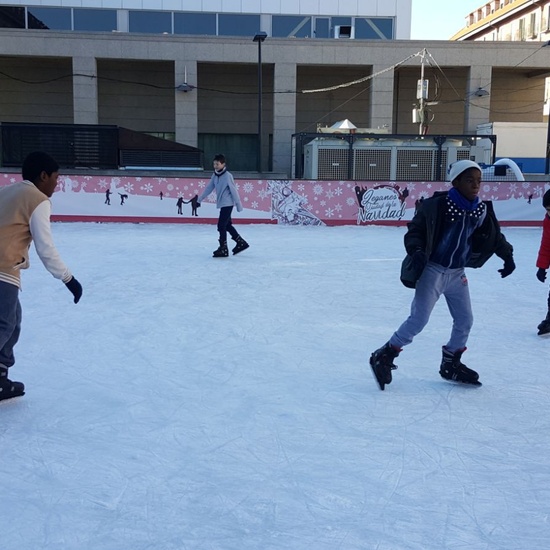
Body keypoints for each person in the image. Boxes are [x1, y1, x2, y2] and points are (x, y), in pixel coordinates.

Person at [369, 159, 515, 390]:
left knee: (465, 320)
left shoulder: (480, 210)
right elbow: (415, 231)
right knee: (418, 320)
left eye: (478, 181)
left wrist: (507, 256)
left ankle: (451, 362)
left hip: (457, 274)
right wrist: (416, 250)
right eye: (469, 181)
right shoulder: (436, 206)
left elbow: (494, 237)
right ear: (456, 182)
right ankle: (385, 354)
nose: (476, 185)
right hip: (433, 271)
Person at [0, 151, 83, 401]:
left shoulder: (7, 191)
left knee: (12, 320)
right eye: (55, 180)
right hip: (3, 269)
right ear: (43, 175)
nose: (56, 186)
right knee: (4, 324)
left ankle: (0, 379)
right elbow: (45, 247)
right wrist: (69, 279)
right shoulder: (37, 199)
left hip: (5, 269)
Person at [197, 154, 249, 257]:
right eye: (214, 164)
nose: (215, 166)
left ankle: (223, 248)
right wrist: (200, 199)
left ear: (223, 164)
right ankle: (241, 243)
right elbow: (209, 188)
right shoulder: (215, 175)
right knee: (227, 225)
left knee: (221, 225)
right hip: (223, 204)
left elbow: (234, 191)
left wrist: (238, 204)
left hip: (228, 203)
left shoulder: (227, 176)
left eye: (217, 164)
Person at [535, 189, 550, 335]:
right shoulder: (548, 220)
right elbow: (546, 244)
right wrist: (542, 267)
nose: (549, 213)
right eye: (547, 210)